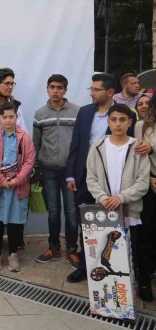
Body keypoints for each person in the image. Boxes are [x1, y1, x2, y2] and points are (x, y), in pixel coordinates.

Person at [65, 73, 134, 283]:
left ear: (110, 92)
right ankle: (84, 267)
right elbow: (76, 144)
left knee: (112, 224)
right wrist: (71, 174)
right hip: (84, 177)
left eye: (96, 90)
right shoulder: (85, 112)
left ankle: (114, 270)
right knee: (87, 223)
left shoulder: (122, 115)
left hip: (113, 179)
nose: (92, 93)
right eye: (91, 89)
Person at [87, 104, 151, 301]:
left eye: (122, 120)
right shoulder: (98, 146)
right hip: (105, 210)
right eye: (114, 120)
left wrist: (121, 198)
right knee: (108, 252)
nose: (118, 124)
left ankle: (137, 285)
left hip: (129, 210)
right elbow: (91, 178)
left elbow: (142, 182)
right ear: (108, 122)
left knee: (134, 250)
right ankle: (110, 293)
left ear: (130, 122)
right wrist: (103, 198)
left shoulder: (137, 147)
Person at [32, 74, 80, 268]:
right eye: (52, 87)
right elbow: (35, 143)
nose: (55, 91)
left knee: (71, 212)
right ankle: (53, 248)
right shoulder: (40, 113)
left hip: (71, 172)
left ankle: (72, 250)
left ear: (65, 90)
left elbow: (80, 142)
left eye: (59, 87)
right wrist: (36, 169)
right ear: (47, 89)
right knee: (53, 212)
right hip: (48, 171)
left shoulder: (77, 111)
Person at [0, 102, 35, 272]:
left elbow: (29, 161)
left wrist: (17, 180)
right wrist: (0, 179)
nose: (8, 120)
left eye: (11, 116)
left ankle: (13, 254)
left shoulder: (24, 137)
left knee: (15, 221)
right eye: (4, 117)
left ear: (16, 117)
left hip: (17, 185)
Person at [133, 97, 156, 301]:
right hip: (150, 184)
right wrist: (148, 178)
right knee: (146, 231)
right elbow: (137, 158)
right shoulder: (142, 126)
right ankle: (144, 277)